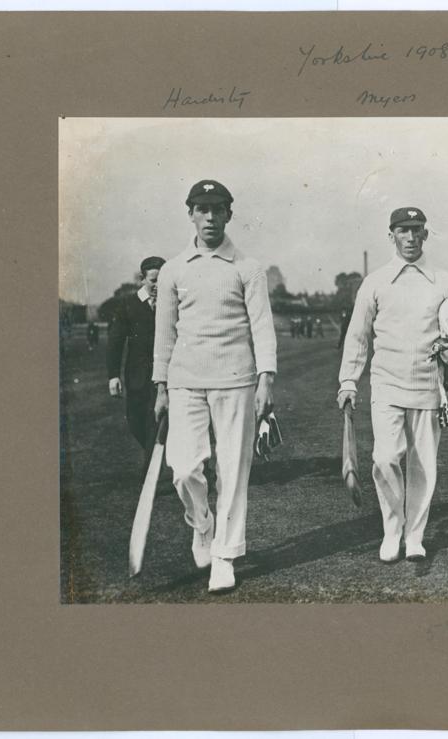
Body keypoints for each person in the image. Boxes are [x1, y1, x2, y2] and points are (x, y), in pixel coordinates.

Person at [152, 180, 276, 593]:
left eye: (217, 208)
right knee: (184, 469)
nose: (209, 216)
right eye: (201, 208)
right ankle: (201, 524)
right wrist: (160, 386)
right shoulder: (173, 269)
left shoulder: (247, 267)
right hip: (185, 381)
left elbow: (262, 328)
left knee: (233, 471)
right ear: (190, 213)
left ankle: (225, 556)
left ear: (228, 214)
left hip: (236, 381)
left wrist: (266, 380)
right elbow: (164, 334)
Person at [337, 207, 448, 563]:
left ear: (425, 234)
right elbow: (358, 337)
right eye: (403, 231)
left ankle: (415, 536)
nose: (410, 237)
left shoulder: (443, 281)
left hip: (427, 386)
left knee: (423, 466)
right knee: (385, 458)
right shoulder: (375, 282)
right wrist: (348, 380)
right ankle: (392, 531)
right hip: (387, 385)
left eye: (417, 230)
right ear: (391, 235)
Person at [107, 255, 165, 464]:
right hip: (137, 376)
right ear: (142, 279)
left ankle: (149, 474)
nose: (158, 285)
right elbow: (115, 341)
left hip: (167, 376)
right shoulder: (128, 304)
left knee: (155, 421)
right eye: (153, 280)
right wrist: (113, 375)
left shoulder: (172, 302)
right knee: (135, 422)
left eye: (162, 280)